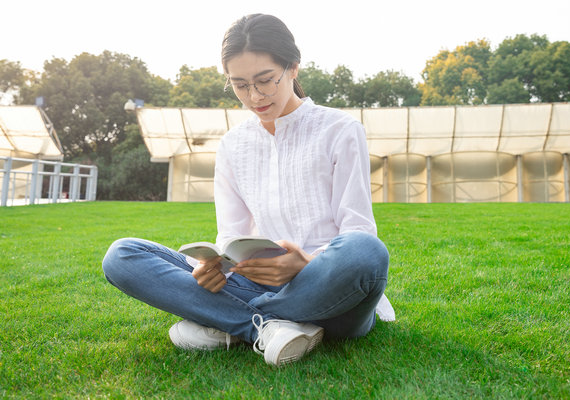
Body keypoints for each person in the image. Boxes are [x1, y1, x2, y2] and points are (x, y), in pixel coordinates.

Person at [102, 13, 393, 367]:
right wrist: (213, 267)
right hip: (255, 282)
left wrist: (305, 264)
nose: (254, 96)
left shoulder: (340, 130)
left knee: (366, 252)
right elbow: (231, 237)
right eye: (240, 85)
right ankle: (264, 327)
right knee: (123, 256)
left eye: (265, 81)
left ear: (293, 68)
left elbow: (358, 230)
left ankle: (228, 322)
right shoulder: (232, 145)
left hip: (328, 285)